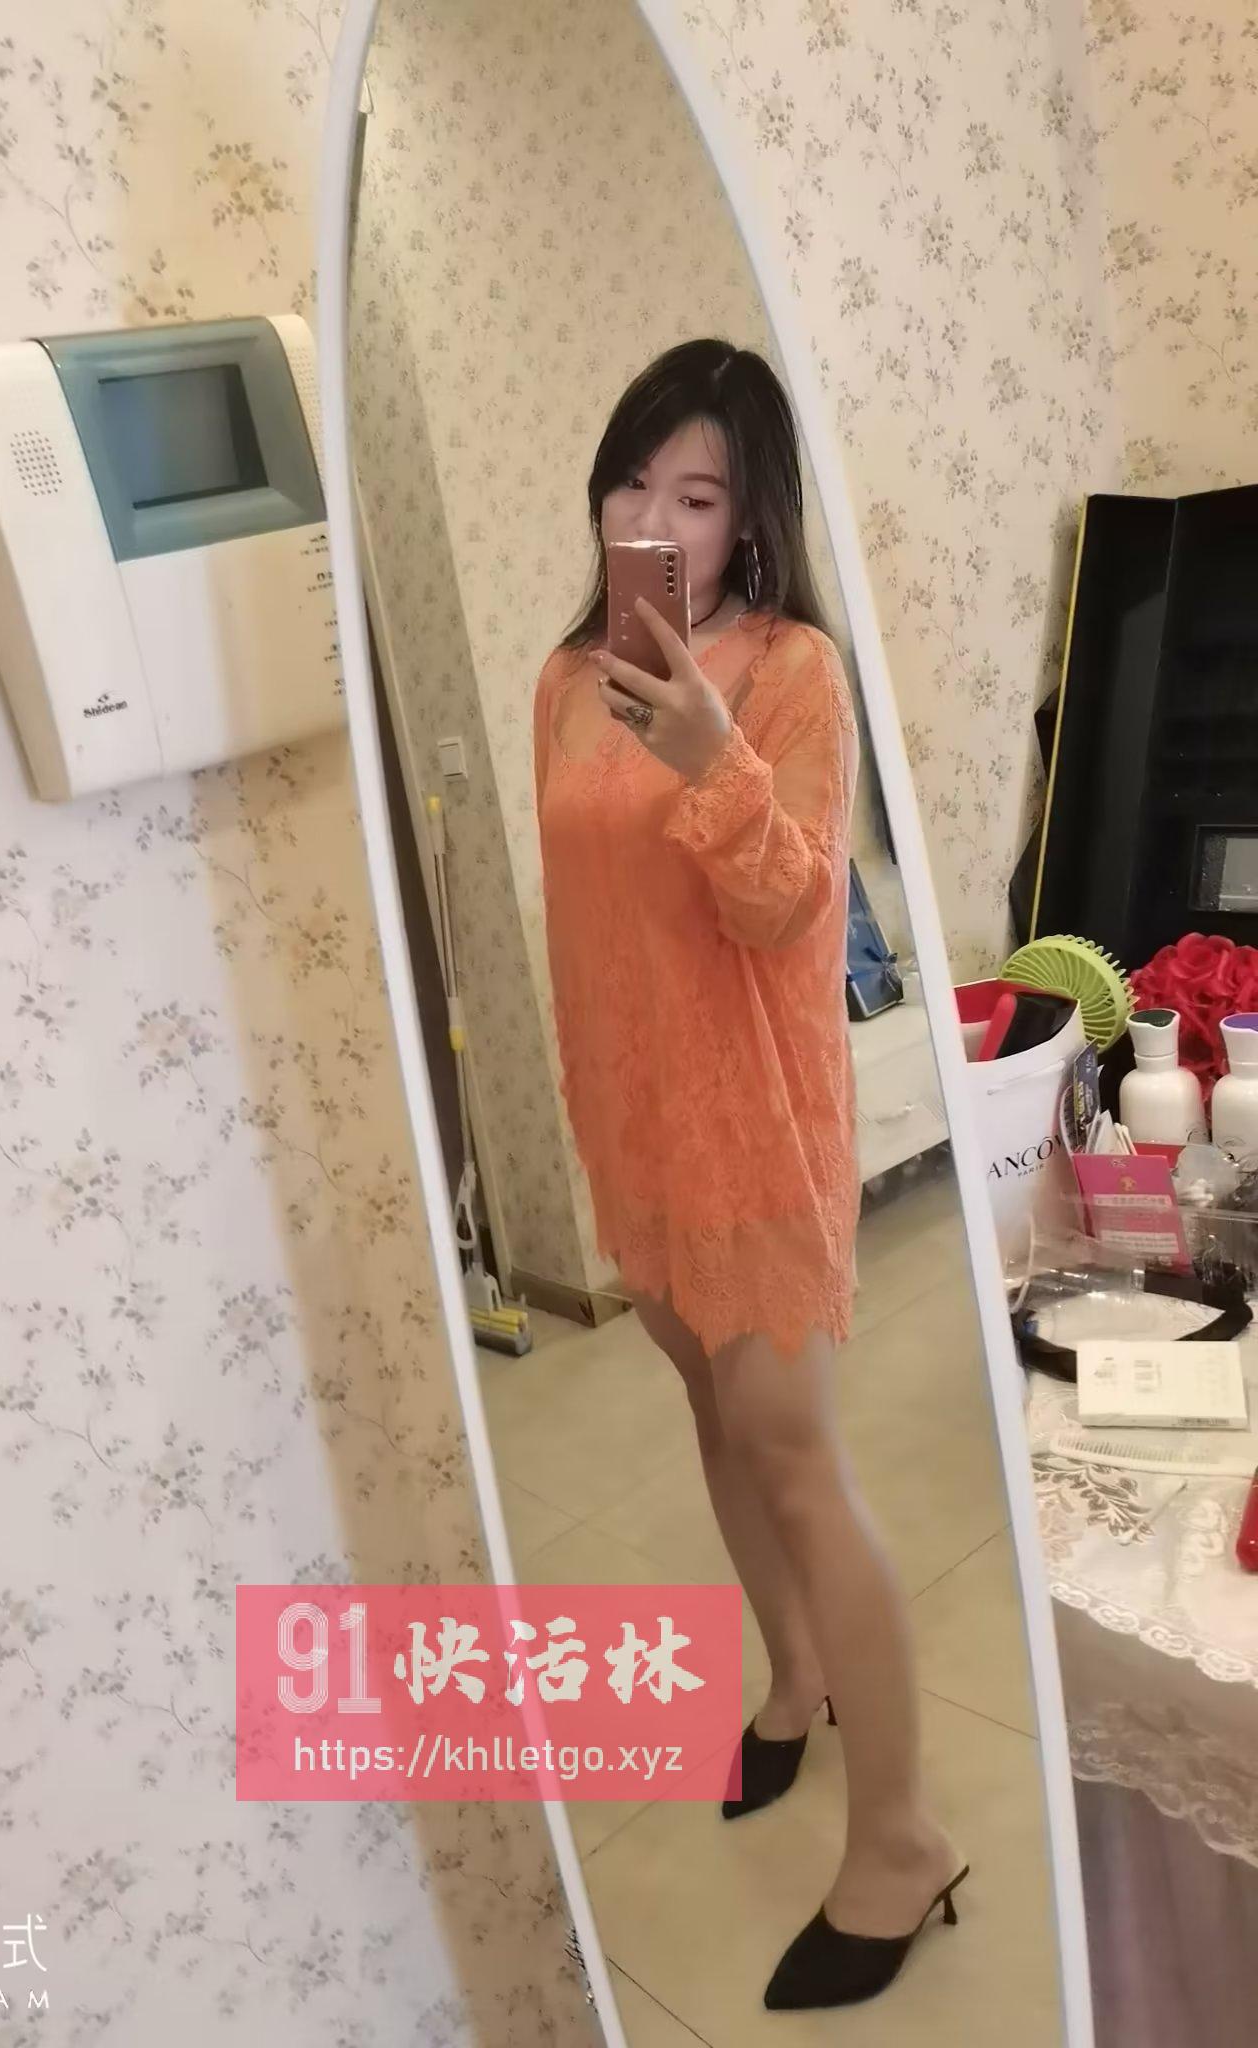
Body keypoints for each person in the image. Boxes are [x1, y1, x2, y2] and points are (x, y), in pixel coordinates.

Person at [531, 339, 967, 2012]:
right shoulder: (566, 678)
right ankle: (794, 1682)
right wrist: (592, 1103)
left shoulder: (793, 673)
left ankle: (904, 1839)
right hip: (635, 1128)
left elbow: (790, 911)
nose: (652, 520)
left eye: (698, 495)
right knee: (713, 1422)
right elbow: (585, 917)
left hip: (753, 1128)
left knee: (795, 1460)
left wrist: (714, 752)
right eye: (632, 482)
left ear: (753, 516)